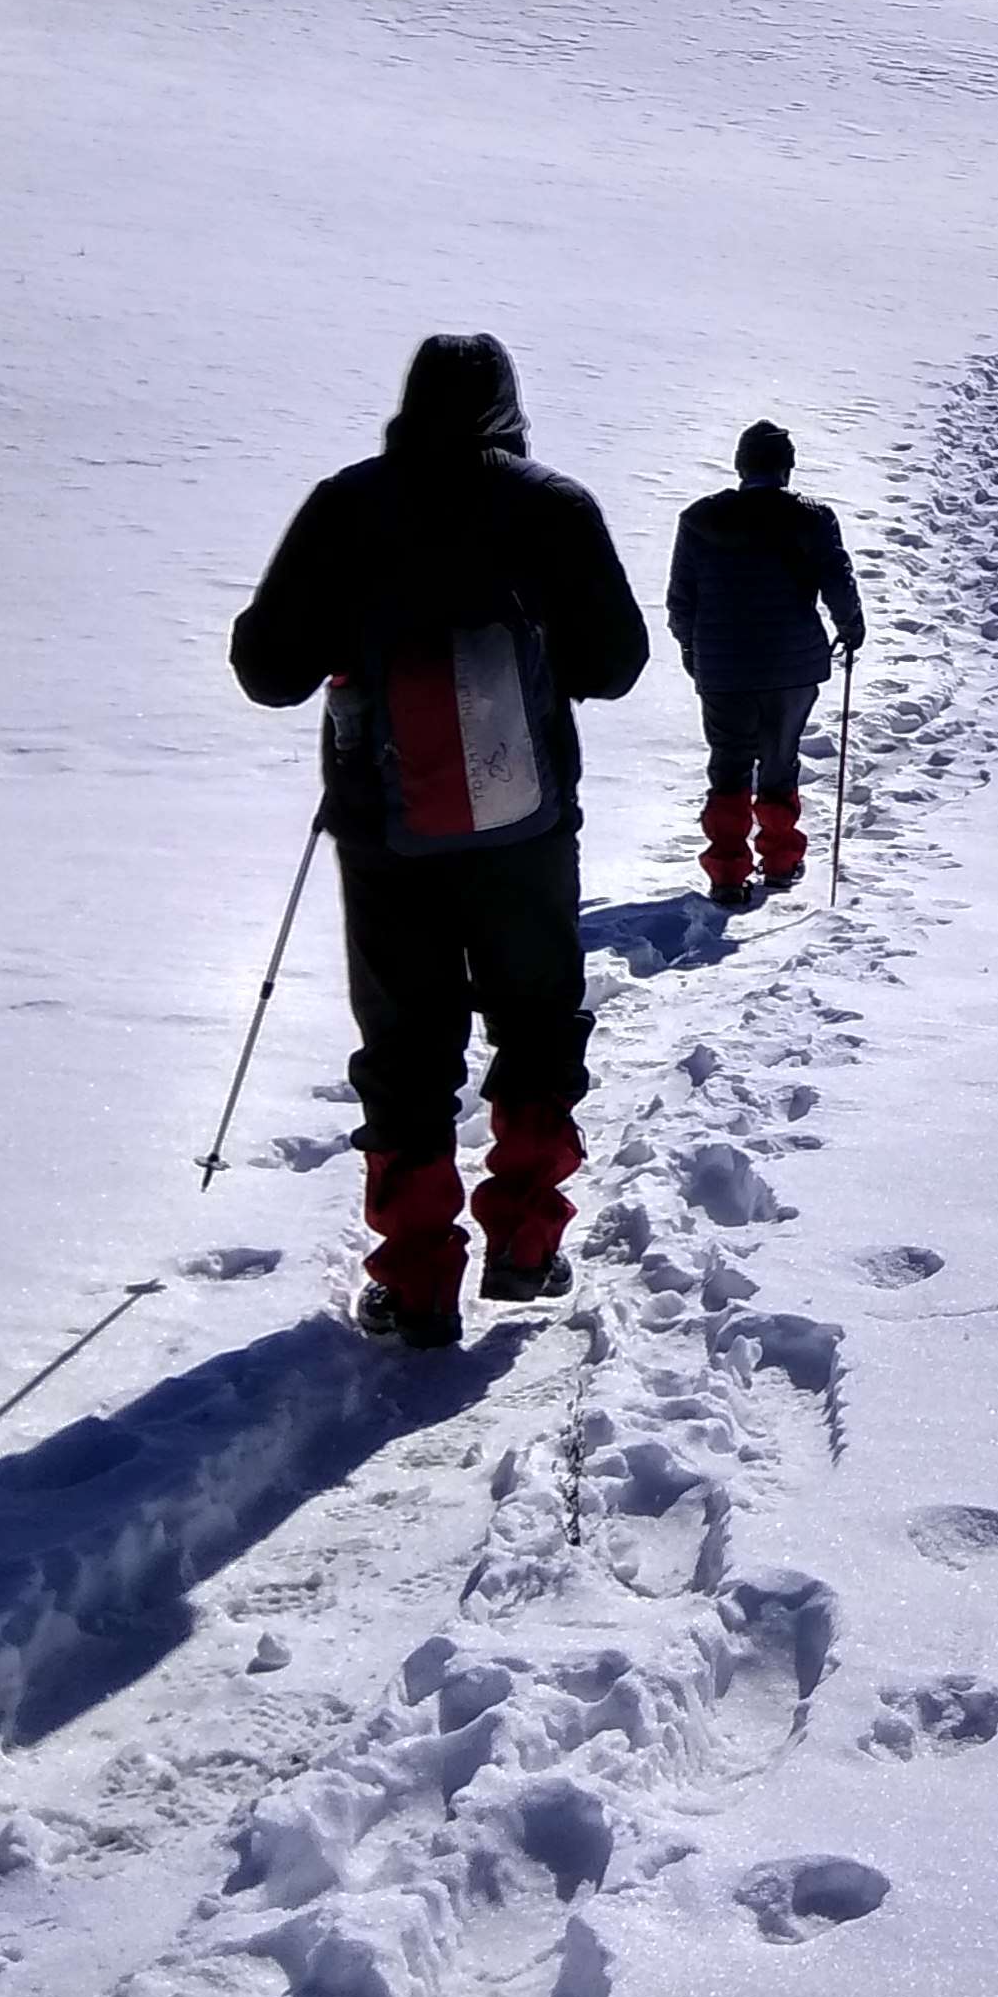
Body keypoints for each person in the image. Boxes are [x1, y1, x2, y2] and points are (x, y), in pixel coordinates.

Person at [231, 334, 647, 1347]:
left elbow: (266, 670)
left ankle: (415, 1282)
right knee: (537, 1022)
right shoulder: (553, 507)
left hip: (386, 837)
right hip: (525, 825)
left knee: (408, 1048)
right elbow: (618, 661)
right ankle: (525, 1243)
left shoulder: (349, 504)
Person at [666, 420, 868, 905]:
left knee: (729, 766)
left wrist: (693, 652)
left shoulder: (698, 520)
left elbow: (681, 600)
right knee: (779, 760)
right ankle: (779, 861)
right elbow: (837, 580)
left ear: (740, 465)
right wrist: (851, 627)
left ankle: (727, 874)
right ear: (787, 467)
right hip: (792, 666)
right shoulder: (812, 519)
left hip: (723, 667)